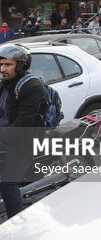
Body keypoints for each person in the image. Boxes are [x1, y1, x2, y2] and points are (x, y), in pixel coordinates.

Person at [0, 44, 47, 218]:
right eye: (1, 64)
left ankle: (16, 226)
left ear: (21, 65)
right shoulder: (6, 83)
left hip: (24, 140)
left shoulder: (32, 87)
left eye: (7, 65)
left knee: (8, 185)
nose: (2, 69)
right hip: (7, 135)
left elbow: (23, 123)